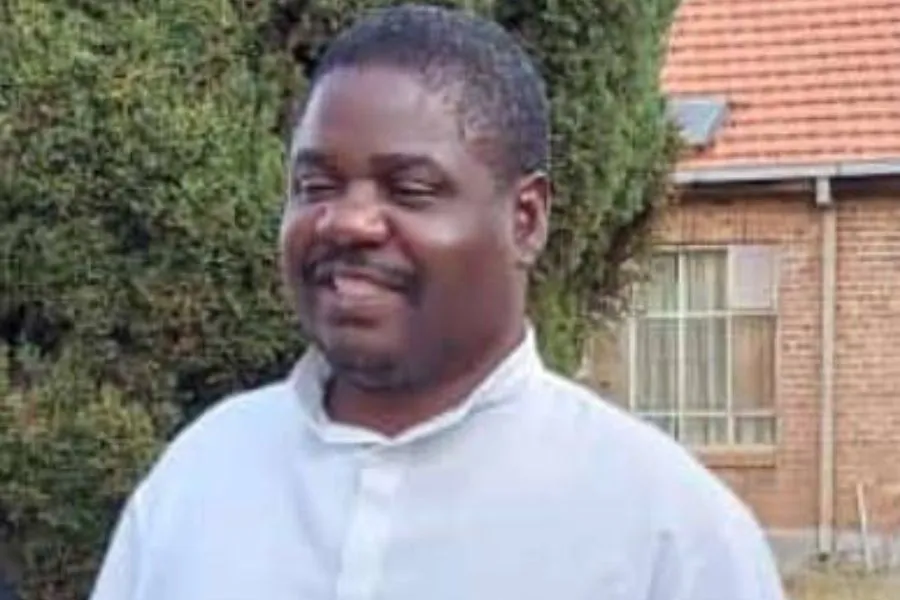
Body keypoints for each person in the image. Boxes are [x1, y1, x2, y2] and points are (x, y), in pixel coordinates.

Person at [89, 4, 786, 599]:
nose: (347, 222)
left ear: (526, 220)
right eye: (315, 186)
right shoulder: (202, 476)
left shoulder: (669, 537)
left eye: (410, 190)